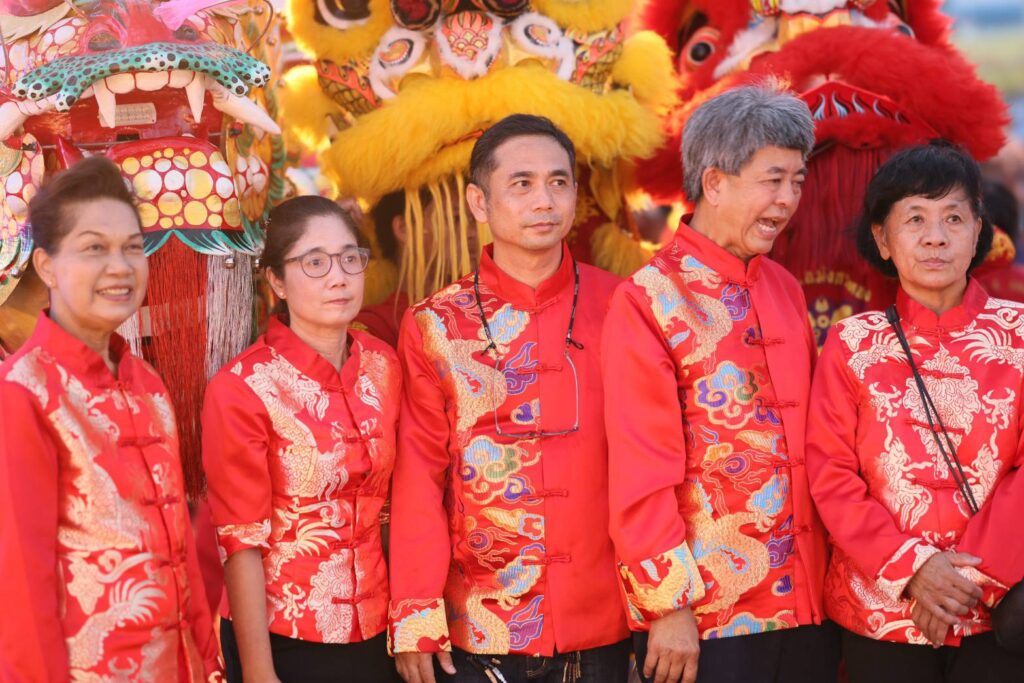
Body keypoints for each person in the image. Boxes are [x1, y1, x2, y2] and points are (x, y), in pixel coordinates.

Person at [602, 84, 836, 683]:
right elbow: (639, 471)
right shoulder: (648, 299)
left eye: (797, 181)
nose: (788, 200)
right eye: (772, 180)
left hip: (807, 603)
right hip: (709, 619)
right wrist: (668, 606)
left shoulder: (783, 286)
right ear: (714, 182)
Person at [388, 114, 630, 683]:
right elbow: (420, 476)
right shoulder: (434, 325)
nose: (544, 200)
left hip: (606, 616)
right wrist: (415, 613)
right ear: (479, 201)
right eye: (521, 184)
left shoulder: (625, 306)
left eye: (558, 182)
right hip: (480, 621)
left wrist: (666, 604)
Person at [806, 141, 1024, 682]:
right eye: (915, 219)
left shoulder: (1020, 335)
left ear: (978, 231)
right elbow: (831, 474)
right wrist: (913, 568)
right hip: (880, 612)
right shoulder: (850, 344)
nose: (935, 237)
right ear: (883, 238)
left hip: (994, 610)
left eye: (954, 217)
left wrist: (965, 581)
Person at [0, 156, 222, 681]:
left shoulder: (148, 384)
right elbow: (19, 590)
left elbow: (181, 551)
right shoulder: (24, 393)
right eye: (94, 248)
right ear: (46, 265)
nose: (120, 266)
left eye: (132, 247)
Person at [201, 196, 403, 683]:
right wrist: (259, 671)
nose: (338, 277)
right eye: (314, 263)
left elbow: (394, 505)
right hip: (284, 634)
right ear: (276, 281)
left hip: (379, 626)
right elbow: (241, 543)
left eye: (350, 258)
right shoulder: (244, 387)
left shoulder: (384, 365)